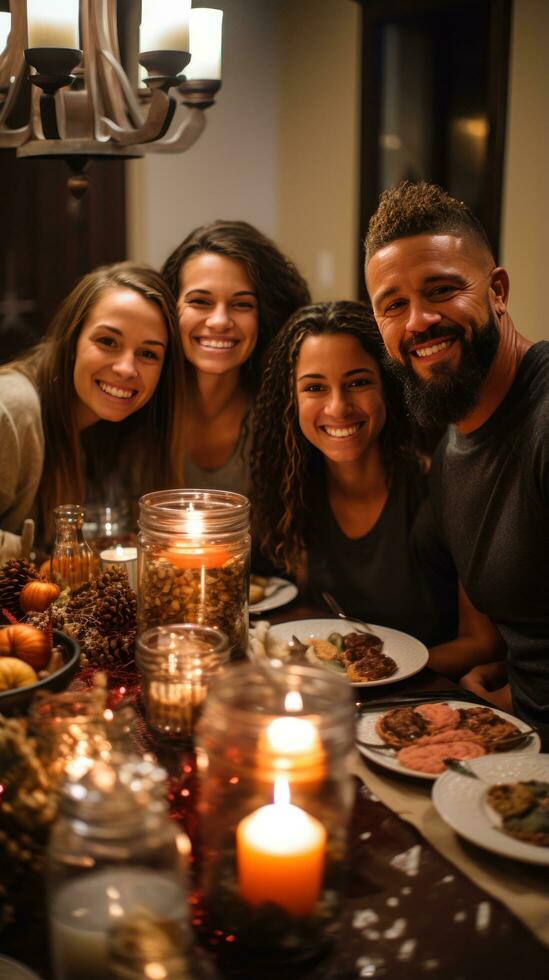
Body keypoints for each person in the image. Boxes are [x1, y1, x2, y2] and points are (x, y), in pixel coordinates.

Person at [365, 180, 549, 738]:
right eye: (394, 305)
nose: (418, 321)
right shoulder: (451, 448)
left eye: (441, 290)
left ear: (497, 291)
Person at [251, 300, 503, 669]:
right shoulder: (292, 492)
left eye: (357, 382)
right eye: (315, 387)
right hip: (331, 702)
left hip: (423, 699)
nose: (338, 407)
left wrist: (375, 675)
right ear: (292, 400)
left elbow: (482, 644)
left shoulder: (443, 487)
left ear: (388, 385)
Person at [0, 262, 186, 560]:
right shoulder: (11, 410)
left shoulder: (125, 430)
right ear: (72, 341)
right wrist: (29, 557)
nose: (126, 368)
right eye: (107, 341)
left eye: (148, 354)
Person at [161, 220, 310, 495]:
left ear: (264, 316)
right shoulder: (141, 403)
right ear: (170, 308)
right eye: (200, 301)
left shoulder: (288, 416)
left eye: (242, 304)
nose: (219, 321)